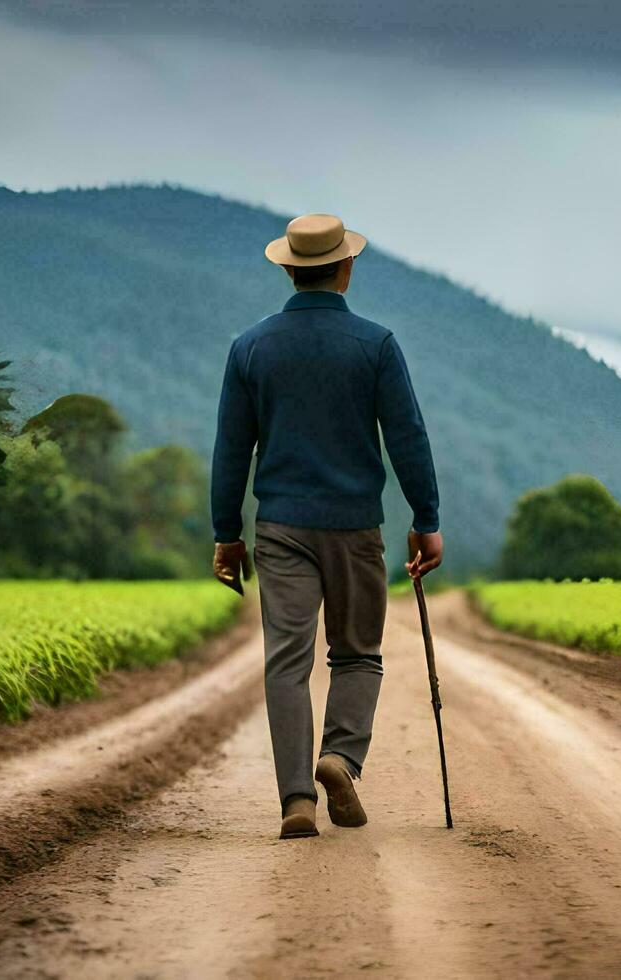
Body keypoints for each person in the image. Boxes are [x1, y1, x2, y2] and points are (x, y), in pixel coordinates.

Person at [209, 213, 443, 840]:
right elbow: (407, 438)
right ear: (346, 268)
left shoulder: (251, 347)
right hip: (354, 525)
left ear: (288, 269)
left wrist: (226, 533)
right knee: (358, 655)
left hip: (280, 525)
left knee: (286, 662)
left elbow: (232, 449)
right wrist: (427, 520)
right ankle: (339, 758)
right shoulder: (376, 345)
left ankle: (295, 802)